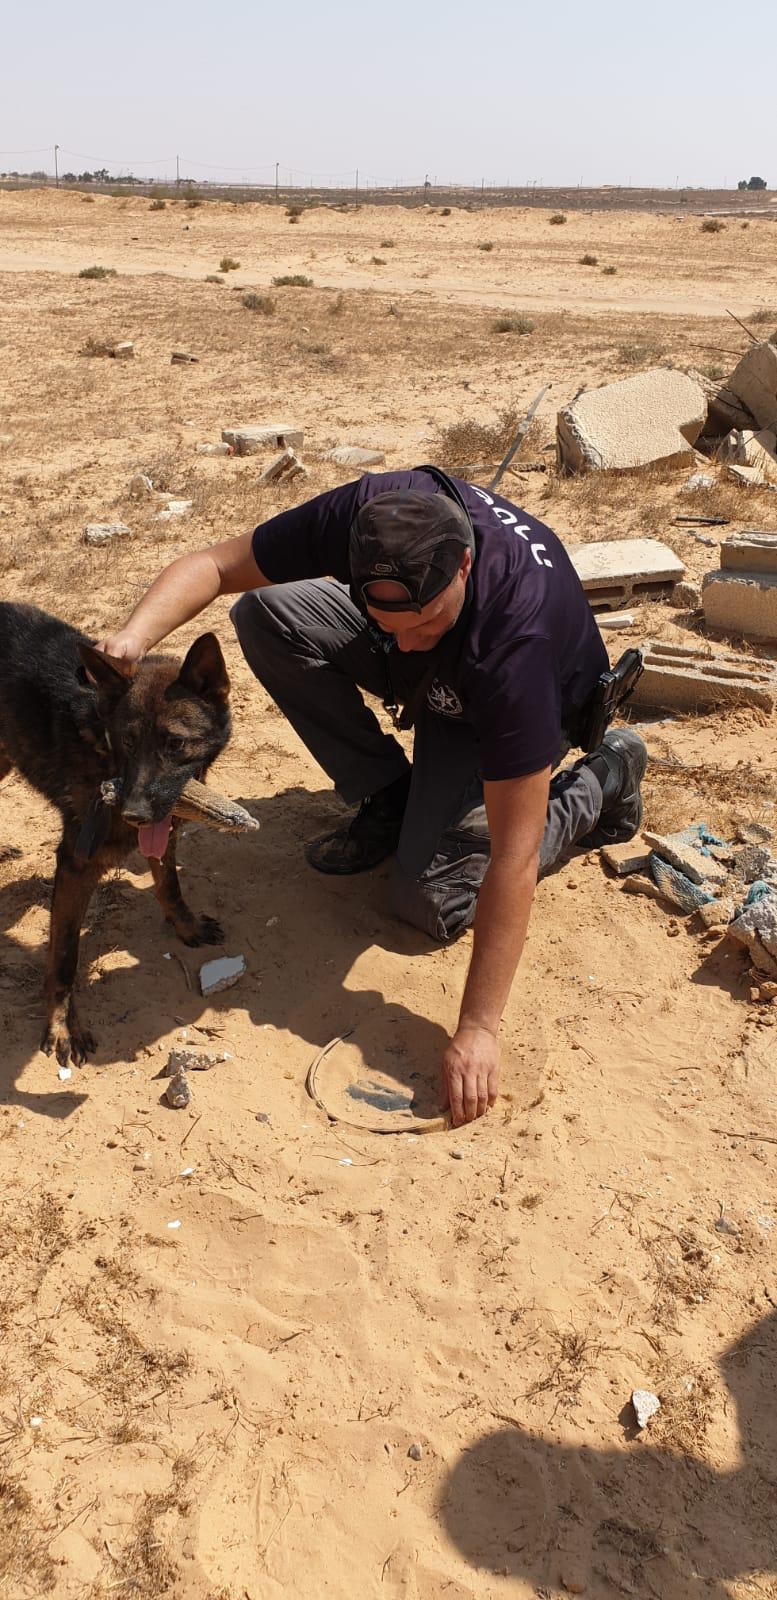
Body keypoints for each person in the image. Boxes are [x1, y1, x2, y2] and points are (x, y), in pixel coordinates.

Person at [101, 466, 647, 1126]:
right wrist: (131, 640)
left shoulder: (513, 646)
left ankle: (604, 778)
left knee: (430, 899)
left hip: (510, 705)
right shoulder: (373, 515)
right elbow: (216, 566)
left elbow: (514, 859)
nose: (401, 639)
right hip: (445, 670)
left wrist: (477, 1028)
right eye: (382, 618)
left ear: (465, 566)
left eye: (422, 620)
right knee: (267, 612)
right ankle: (392, 795)